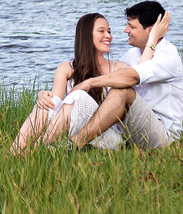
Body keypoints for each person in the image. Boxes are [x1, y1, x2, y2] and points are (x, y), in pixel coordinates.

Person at [64, 0, 183, 150]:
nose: (125, 30)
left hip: (162, 135)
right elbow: (114, 79)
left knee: (123, 91)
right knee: (114, 89)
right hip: (131, 128)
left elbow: (132, 77)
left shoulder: (167, 55)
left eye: (132, 26)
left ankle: (74, 144)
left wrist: (90, 82)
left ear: (151, 30)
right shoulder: (132, 55)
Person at [11, 12, 117, 154]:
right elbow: (55, 102)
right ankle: (14, 152)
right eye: (102, 31)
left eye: (109, 32)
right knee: (46, 104)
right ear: (86, 35)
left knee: (78, 95)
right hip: (75, 131)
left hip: (104, 134)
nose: (108, 36)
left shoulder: (118, 68)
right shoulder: (67, 68)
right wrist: (42, 95)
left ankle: (35, 151)